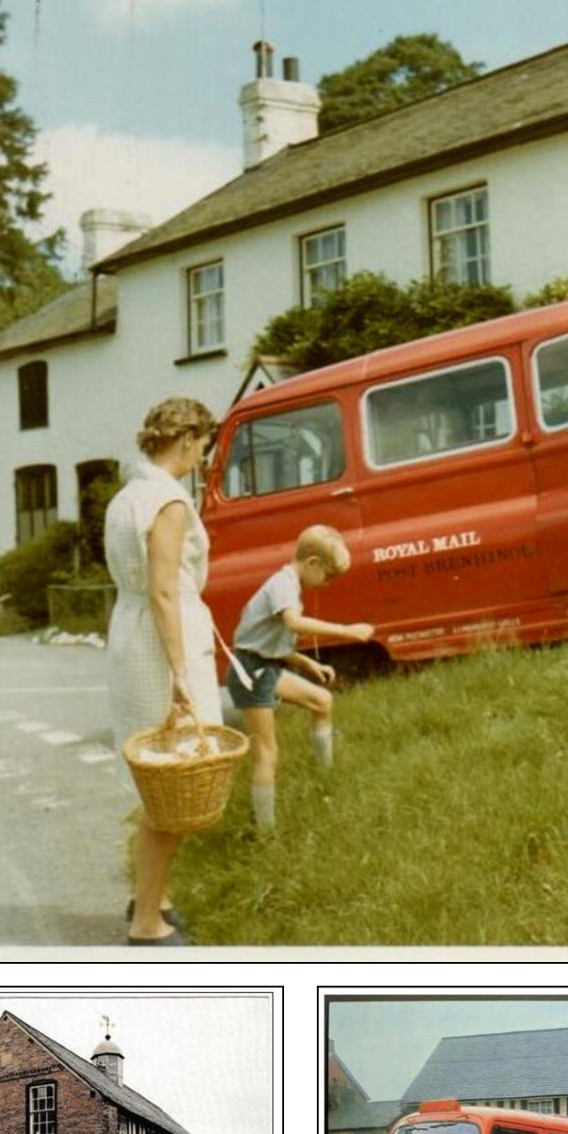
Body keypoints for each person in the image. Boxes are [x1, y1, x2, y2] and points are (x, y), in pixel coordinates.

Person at [106, 397, 222, 945]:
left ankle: (154, 895)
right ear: (186, 440)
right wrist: (180, 673)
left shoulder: (128, 495)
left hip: (131, 638)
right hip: (160, 645)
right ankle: (145, 923)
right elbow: (164, 589)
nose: (201, 457)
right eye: (201, 446)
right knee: (175, 787)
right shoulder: (169, 500)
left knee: (153, 782)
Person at [224, 524, 374, 830]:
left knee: (322, 700)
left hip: (265, 666)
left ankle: (326, 779)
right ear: (312, 564)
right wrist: (346, 630)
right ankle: (265, 831)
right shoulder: (283, 585)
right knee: (267, 752)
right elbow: (292, 624)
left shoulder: (289, 584)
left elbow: (269, 642)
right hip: (251, 672)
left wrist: (306, 663)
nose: (329, 583)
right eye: (329, 576)